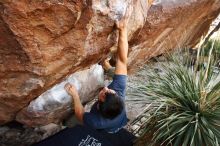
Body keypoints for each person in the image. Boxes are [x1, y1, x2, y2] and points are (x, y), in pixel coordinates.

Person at [65, 5, 132, 134]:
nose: (106, 88)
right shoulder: (118, 91)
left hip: (111, 129)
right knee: (117, 75)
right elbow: (122, 60)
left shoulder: (96, 121)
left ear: (99, 104)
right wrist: (122, 30)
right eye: (110, 91)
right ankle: (106, 66)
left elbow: (80, 114)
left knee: (73, 121)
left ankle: (66, 124)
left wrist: (75, 95)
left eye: (103, 94)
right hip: (119, 116)